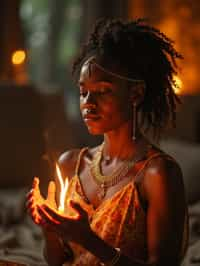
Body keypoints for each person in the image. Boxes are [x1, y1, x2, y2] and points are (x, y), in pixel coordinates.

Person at [26, 18, 188, 266]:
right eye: (83, 92)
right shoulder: (72, 164)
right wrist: (50, 230)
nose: (88, 103)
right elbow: (58, 262)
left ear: (135, 94)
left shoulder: (158, 174)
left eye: (102, 91)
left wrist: (90, 241)